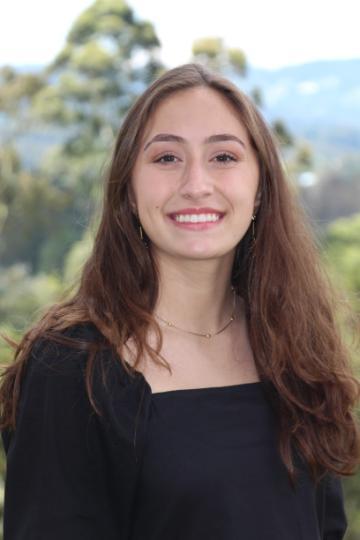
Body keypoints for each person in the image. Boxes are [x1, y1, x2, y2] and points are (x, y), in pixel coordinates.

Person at [0, 63, 359, 540]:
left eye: (224, 157)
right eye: (167, 158)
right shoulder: (73, 367)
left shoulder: (294, 345)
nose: (195, 184)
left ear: (260, 190)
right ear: (128, 190)